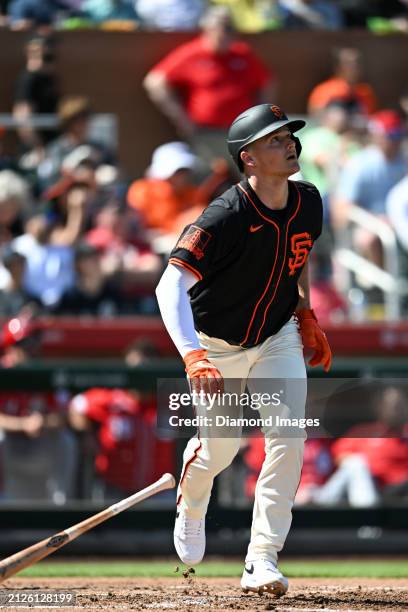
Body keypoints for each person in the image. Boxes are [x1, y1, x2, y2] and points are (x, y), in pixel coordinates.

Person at [155, 103, 331, 596]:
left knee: (288, 437)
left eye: (289, 136)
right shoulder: (226, 213)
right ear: (248, 157)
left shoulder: (310, 199)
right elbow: (168, 287)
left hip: (277, 336)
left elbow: (299, 258)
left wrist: (306, 312)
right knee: (221, 451)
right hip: (217, 345)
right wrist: (192, 354)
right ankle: (192, 504)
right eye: (275, 139)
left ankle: (262, 558)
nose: (289, 144)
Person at [143, 6, 275, 168]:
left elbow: (267, 82)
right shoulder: (192, 54)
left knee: (249, 179)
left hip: (242, 133)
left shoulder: (242, 53)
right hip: (206, 134)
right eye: (222, 28)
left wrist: (260, 117)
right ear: (207, 29)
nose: (226, 34)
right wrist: (180, 118)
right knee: (209, 181)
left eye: (230, 28)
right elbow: (155, 81)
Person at [307, 47, 378, 117]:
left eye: (357, 63)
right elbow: (316, 117)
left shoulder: (366, 92)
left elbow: (370, 118)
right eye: (349, 64)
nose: (354, 67)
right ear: (338, 67)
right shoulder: (324, 91)